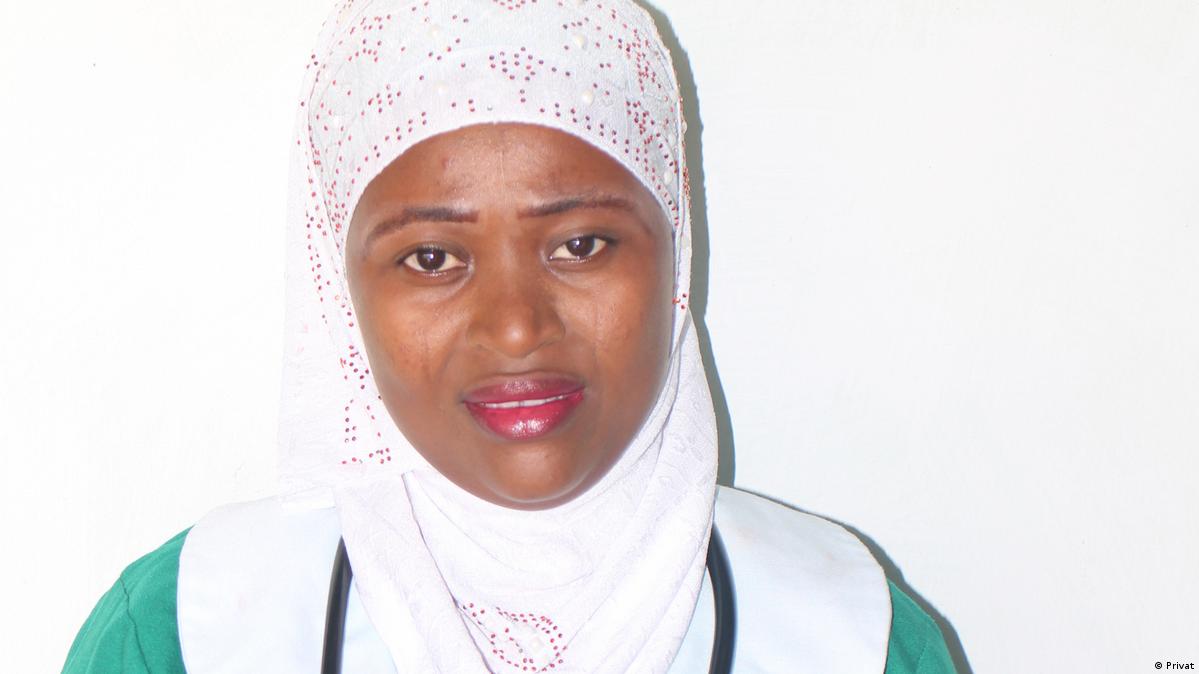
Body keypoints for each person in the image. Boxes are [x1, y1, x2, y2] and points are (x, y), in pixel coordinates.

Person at [62, 0, 957, 672]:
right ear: (339, 295)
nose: (517, 325)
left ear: (674, 262)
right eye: (430, 259)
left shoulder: (849, 636)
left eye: (581, 244)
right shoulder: (191, 633)